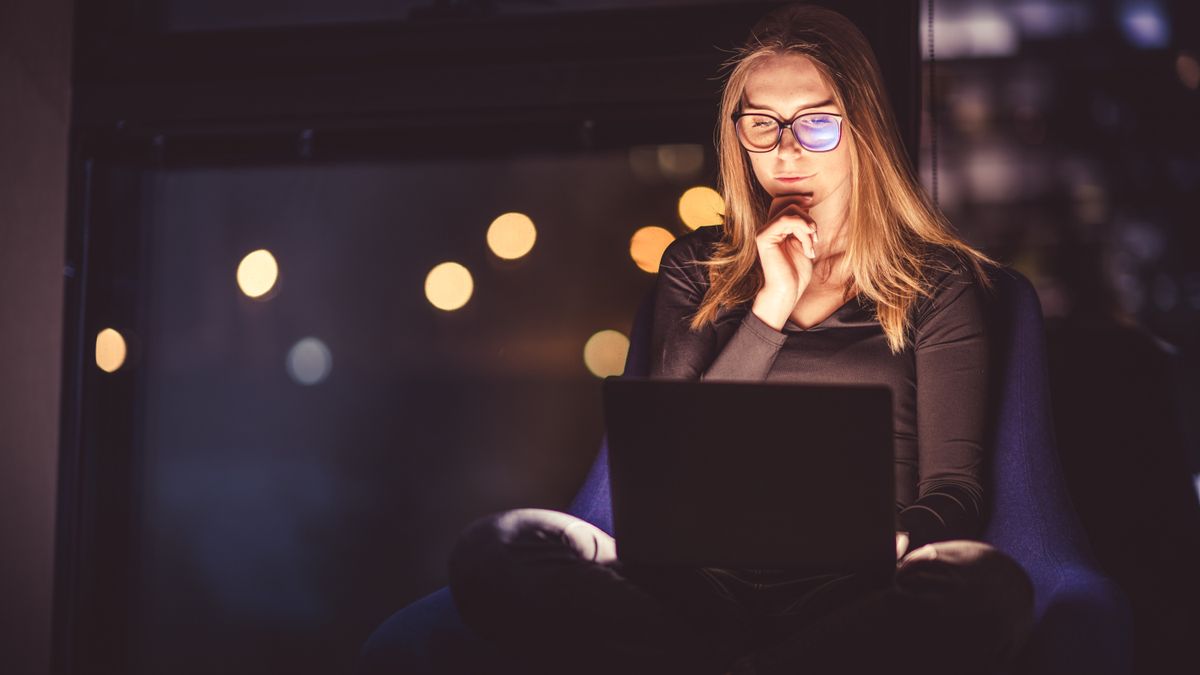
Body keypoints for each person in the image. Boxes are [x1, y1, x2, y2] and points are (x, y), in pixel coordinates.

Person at [447, 4, 1034, 675]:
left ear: (861, 128)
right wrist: (769, 312)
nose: (786, 151)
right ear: (740, 134)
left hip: (858, 586)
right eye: (763, 124)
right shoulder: (695, 268)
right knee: (496, 550)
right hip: (695, 582)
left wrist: (885, 542)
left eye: (815, 123)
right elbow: (661, 461)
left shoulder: (935, 281)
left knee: (988, 590)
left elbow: (955, 491)